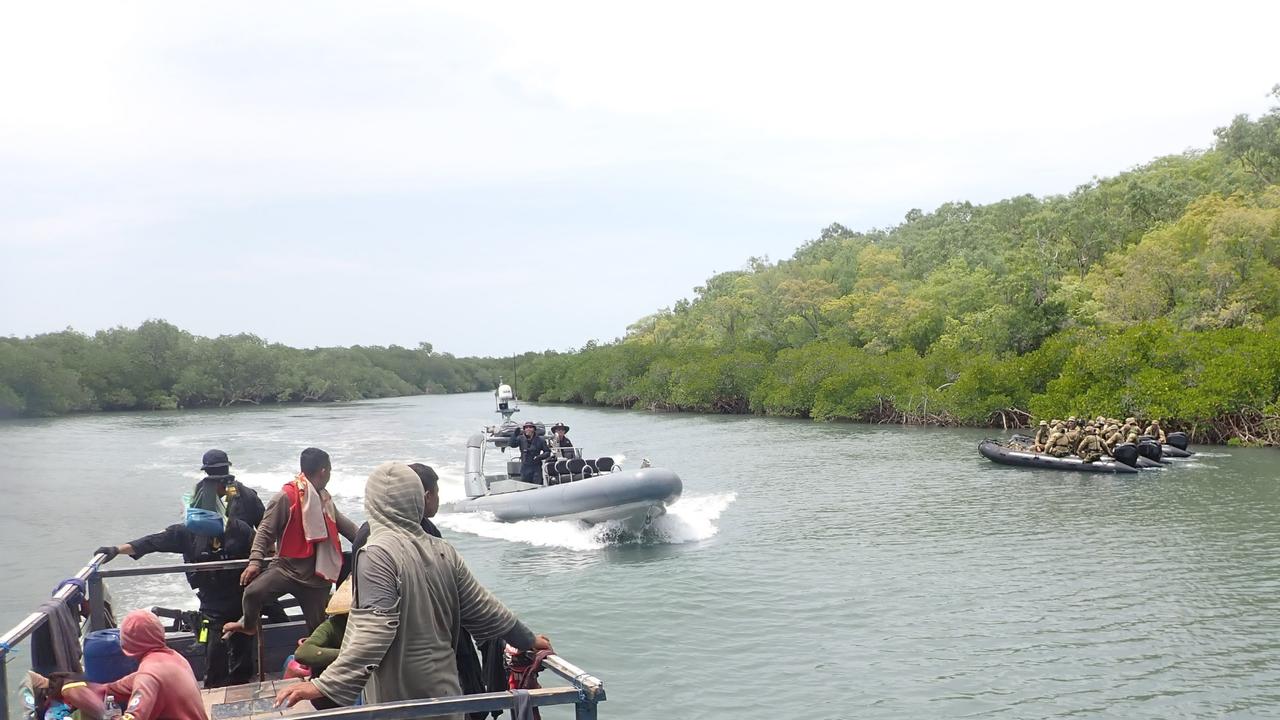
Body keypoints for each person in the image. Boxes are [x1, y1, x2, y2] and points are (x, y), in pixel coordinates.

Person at [275, 462, 551, 712]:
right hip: (446, 693)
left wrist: (323, 686)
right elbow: (487, 610)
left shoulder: (377, 553)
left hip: (401, 698)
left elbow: (373, 631)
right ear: (417, 499)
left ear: (373, 504)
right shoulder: (443, 550)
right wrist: (528, 640)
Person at [93, 513, 261, 687]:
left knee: (243, 652)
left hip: (240, 601)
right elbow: (152, 542)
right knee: (214, 652)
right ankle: (214, 686)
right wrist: (117, 549)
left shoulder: (240, 529)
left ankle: (242, 683)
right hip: (211, 607)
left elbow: (261, 549)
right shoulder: (185, 533)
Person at [225, 448, 358, 637]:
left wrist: (372, 542)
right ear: (323, 471)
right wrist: (255, 561)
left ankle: (317, 664)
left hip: (317, 577)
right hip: (287, 569)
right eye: (330, 469)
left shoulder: (324, 499)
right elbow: (265, 531)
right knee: (252, 593)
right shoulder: (286, 496)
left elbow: (347, 528)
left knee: (318, 632)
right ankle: (248, 625)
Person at [56, 610, 208, 720]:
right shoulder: (175, 659)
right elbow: (113, 688)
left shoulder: (148, 675)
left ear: (127, 644)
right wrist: (77, 688)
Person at [190, 449, 265, 529]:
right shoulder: (248, 494)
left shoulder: (199, 492)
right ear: (227, 468)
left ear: (206, 471)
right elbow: (264, 528)